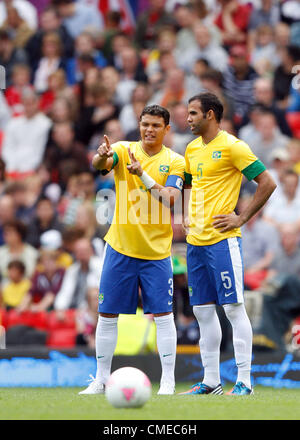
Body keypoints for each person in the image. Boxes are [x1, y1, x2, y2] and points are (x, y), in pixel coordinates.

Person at [79, 104, 185, 396]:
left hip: (156, 253)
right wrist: (100, 156)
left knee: (164, 316)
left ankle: (167, 381)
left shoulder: (175, 161)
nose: (149, 129)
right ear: (139, 125)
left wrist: (143, 175)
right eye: (145, 124)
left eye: (155, 125)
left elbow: (171, 199)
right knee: (107, 314)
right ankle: (101, 379)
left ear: (166, 129)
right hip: (120, 247)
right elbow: (100, 166)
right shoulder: (124, 149)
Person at [181, 92, 276, 396]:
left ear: (210, 115)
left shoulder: (234, 147)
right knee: (203, 313)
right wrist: (185, 213)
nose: (188, 119)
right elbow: (188, 184)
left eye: (193, 113)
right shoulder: (192, 149)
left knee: (234, 309)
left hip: (222, 242)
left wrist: (241, 218)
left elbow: (267, 182)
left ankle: (245, 382)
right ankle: (211, 382)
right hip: (195, 243)